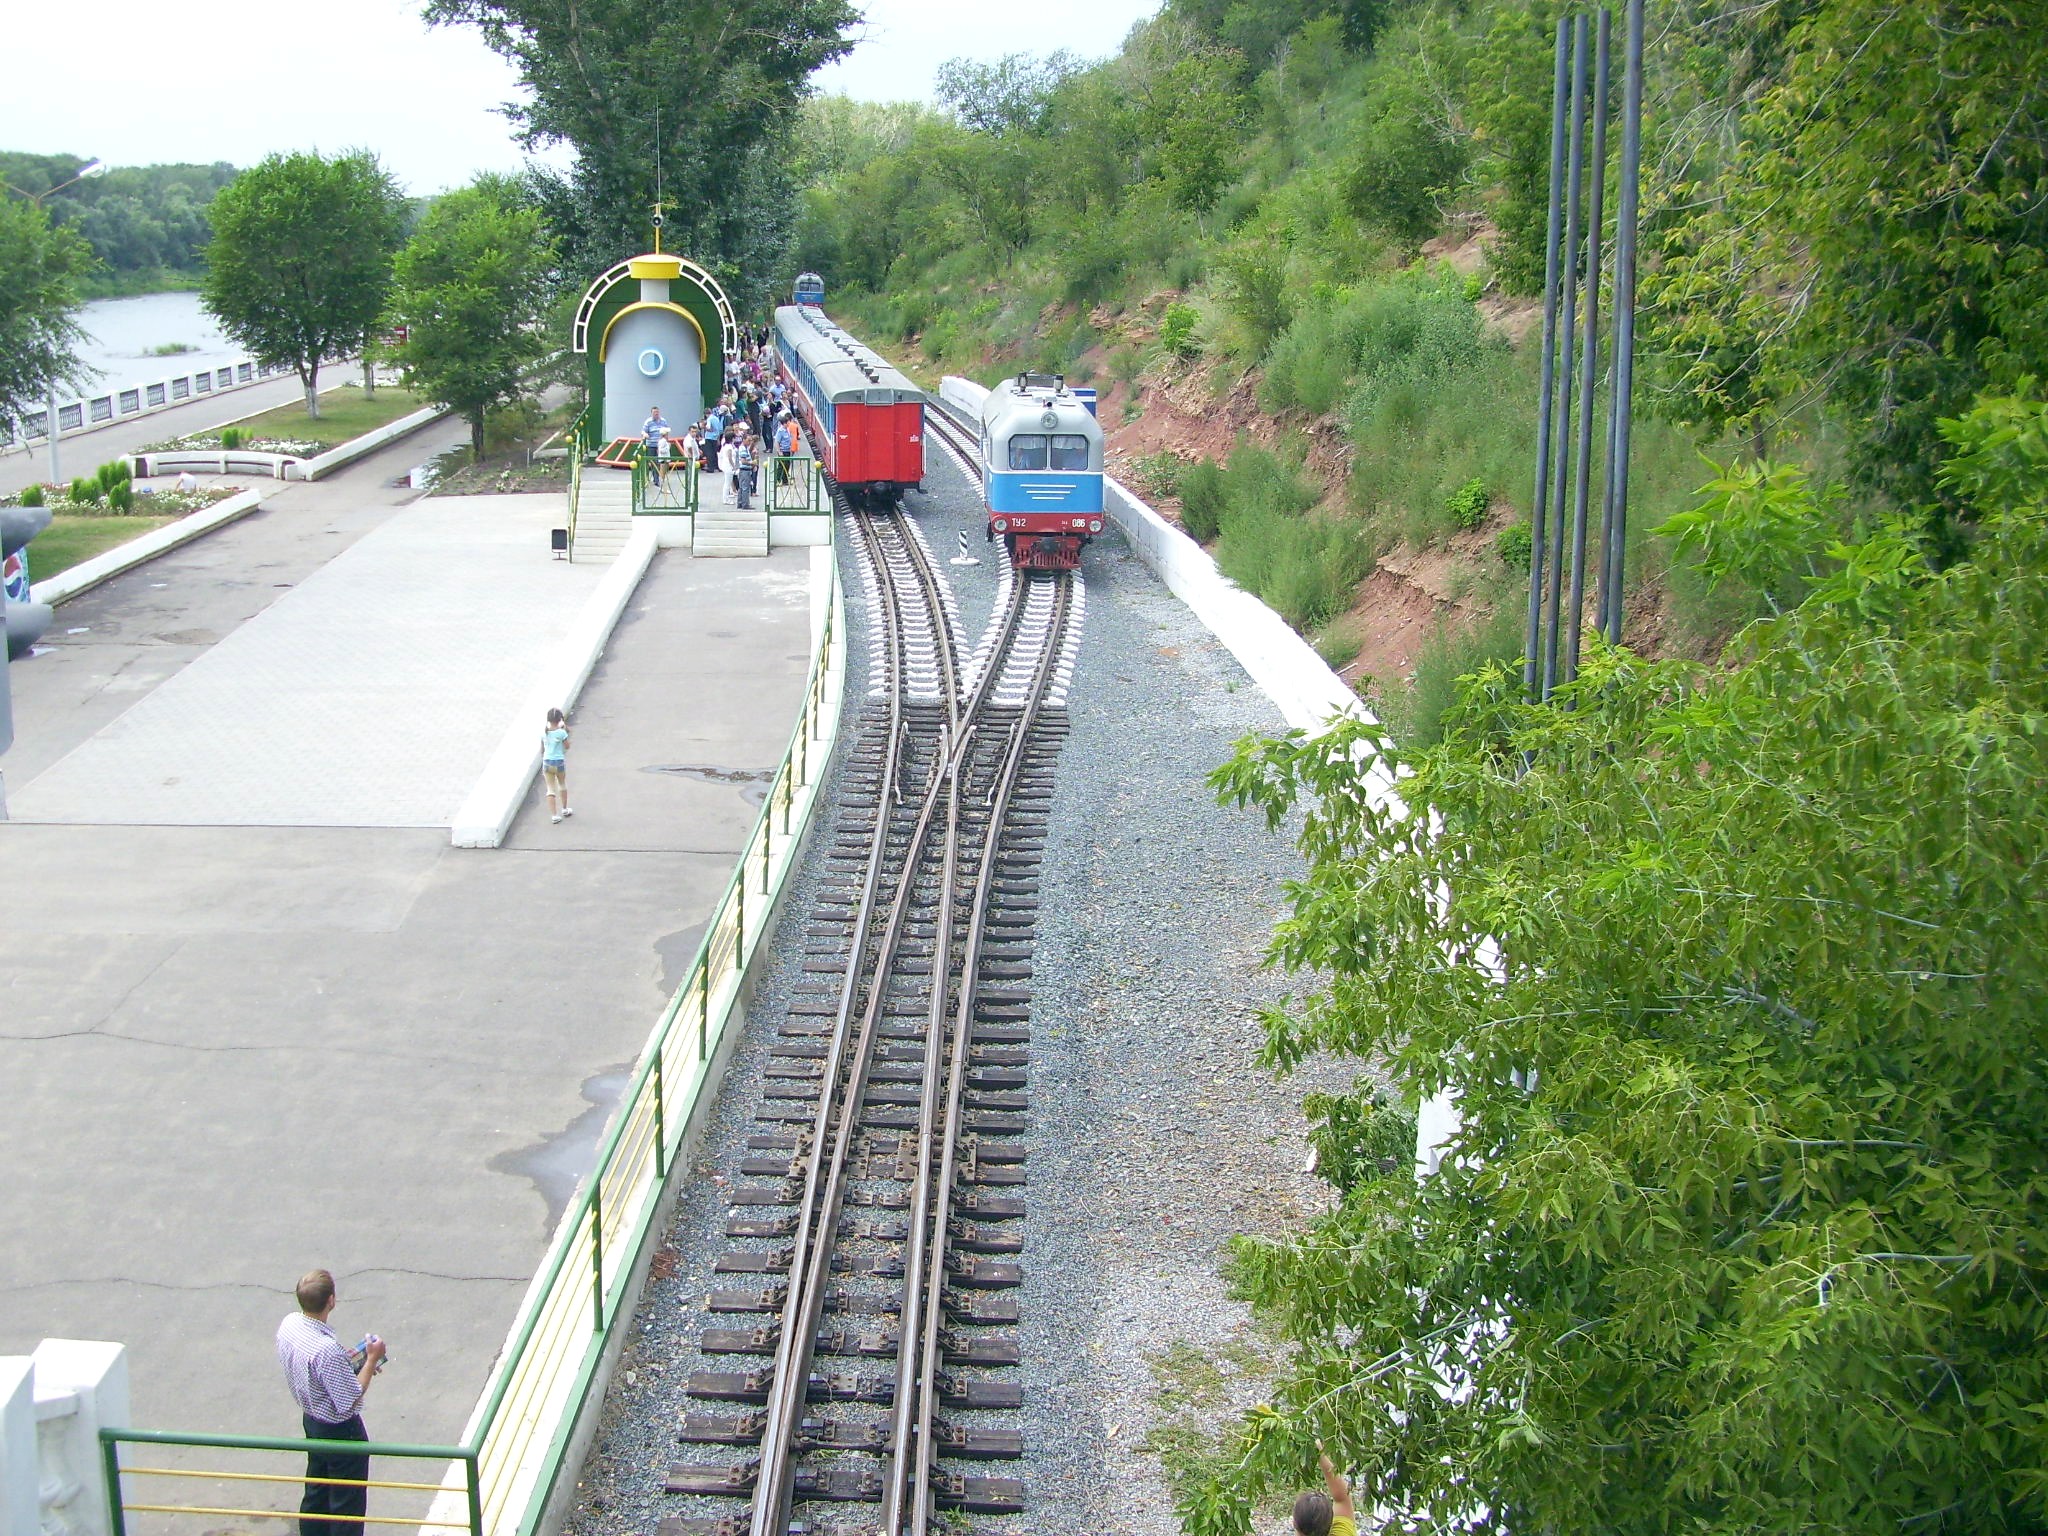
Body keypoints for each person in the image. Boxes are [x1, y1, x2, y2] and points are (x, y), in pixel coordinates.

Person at [275, 1269, 386, 1536]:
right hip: (341, 1432)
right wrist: (371, 1360)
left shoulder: (290, 1325)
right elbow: (350, 1398)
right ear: (331, 1301)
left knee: (317, 1490)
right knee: (347, 1502)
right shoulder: (326, 1350)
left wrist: (350, 1367)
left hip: (312, 1420)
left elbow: (321, 1374)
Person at [1293, 1447, 1358, 1536]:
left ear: (1294, 1524)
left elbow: (1342, 1497)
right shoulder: (1342, 1532)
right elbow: (1342, 1497)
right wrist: (1319, 1451)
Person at [541, 707, 572, 823]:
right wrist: (564, 728)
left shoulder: (543, 733)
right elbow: (567, 746)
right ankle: (564, 809)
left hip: (547, 762)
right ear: (560, 719)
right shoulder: (561, 732)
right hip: (559, 762)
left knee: (550, 788)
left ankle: (554, 815)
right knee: (562, 784)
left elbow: (542, 750)